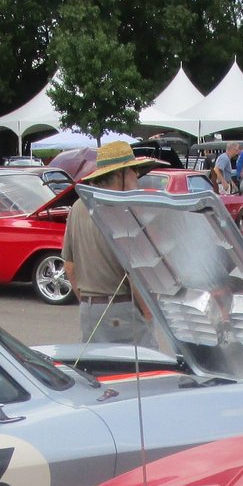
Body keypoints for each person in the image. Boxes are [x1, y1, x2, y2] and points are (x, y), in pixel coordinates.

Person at [64, 140, 162, 342]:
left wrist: (88, 303)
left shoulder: (78, 206)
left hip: (90, 310)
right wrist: (148, 310)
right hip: (124, 310)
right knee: (145, 370)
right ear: (120, 174)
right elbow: (133, 271)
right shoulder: (123, 209)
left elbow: (70, 265)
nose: (137, 176)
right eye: (134, 170)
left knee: (97, 371)